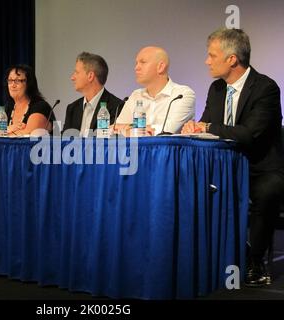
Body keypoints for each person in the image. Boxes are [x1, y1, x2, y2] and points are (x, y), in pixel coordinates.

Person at [181, 28, 284, 287]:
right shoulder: (217, 88)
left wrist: (206, 127)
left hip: (260, 167)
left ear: (232, 59)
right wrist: (195, 127)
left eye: (211, 55)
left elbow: (249, 134)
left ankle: (255, 260)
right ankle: (208, 253)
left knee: (267, 192)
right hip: (225, 166)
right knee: (188, 186)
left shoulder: (266, 88)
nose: (206, 61)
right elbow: (207, 122)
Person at [115, 46, 195, 136]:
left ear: (160, 67)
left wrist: (130, 129)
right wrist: (139, 129)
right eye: (136, 63)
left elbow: (167, 130)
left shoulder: (182, 94)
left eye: (143, 62)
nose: (136, 68)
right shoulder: (135, 95)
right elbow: (115, 128)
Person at [0, 64, 55, 137]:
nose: (13, 85)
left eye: (17, 80)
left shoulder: (40, 106)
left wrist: (0, 133)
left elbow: (29, 134)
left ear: (29, 84)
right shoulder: (8, 109)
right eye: (10, 80)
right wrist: (7, 129)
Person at [63, 52, 123, 136]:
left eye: (76, 72)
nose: (72, 77)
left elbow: (111, 143)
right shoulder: (72, 108)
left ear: (90, 76)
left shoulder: (117, 107)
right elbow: (65, 141)